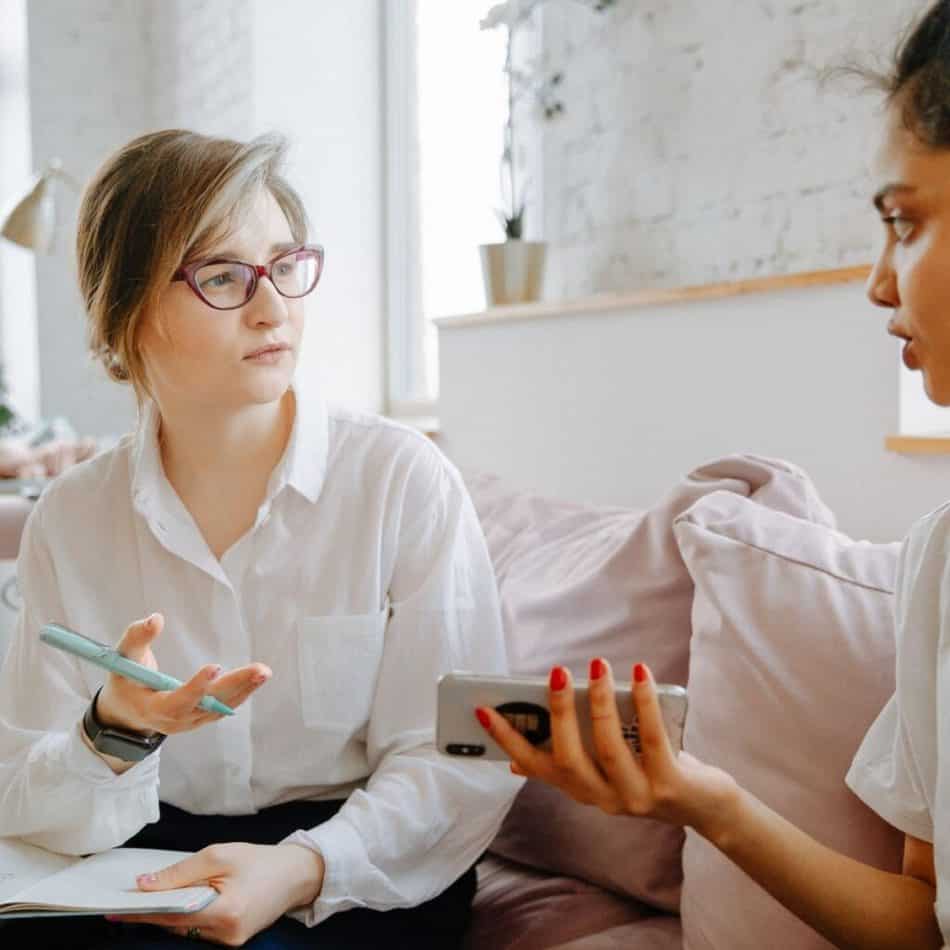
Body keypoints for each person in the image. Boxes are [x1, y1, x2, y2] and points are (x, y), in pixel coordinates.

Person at [478, 3, 950, 948]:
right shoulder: (942, 561)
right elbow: (920, 928)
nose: (878, 282)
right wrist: (705, 801)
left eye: (904, 222)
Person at [0, 129, 521, 949]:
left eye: (284, 266)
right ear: (127, 310)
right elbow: (25, 793)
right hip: (146, 857)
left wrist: (304, 867)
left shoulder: (400, 481)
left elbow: (460, 757)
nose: (273, 306)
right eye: (221, 276)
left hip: (356, 865)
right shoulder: (69, 519)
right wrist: (113, 729)